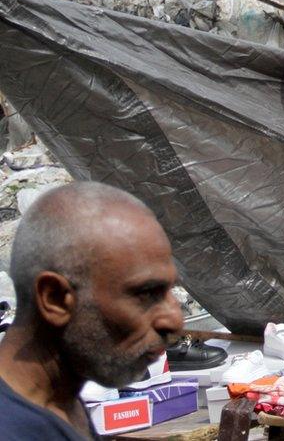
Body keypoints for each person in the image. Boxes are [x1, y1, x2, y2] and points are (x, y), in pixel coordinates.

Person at [0, 182, 184, 440]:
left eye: (169, 291)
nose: (175, 321)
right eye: (146, 294)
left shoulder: (61, 401)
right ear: (54, 298)